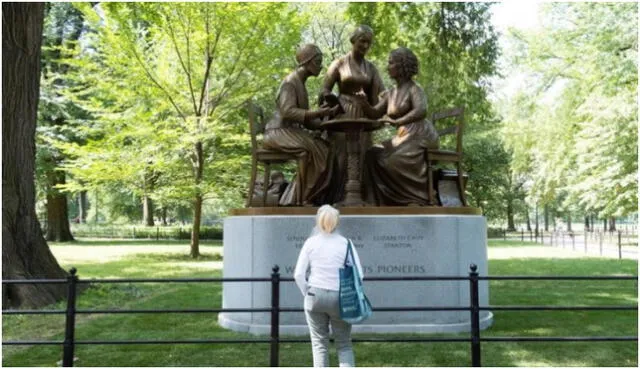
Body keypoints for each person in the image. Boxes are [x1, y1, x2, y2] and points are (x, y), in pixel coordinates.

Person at [358, 47, 439, 206]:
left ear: (402, 66)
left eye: (391, 63)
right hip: (402, 135)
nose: (387, 67)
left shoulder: (415, 89)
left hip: (420, 134)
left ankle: (417, 198)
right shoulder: (392, 93)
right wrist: (364, 103)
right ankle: (378, 200)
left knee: (393, 160)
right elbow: (375, 113)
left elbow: (421, 110)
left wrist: (399, 121)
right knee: (372, 154)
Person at [263, 44, 340, 206]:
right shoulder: (291, 82)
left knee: (324, 146)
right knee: (314, 149)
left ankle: (301, 196)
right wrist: (319, 113)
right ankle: (302, 197)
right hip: (278, 132)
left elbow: (307, 121)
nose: (320, 65)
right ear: (307, 61)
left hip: (289, 131)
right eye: (318, 61)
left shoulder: (301, 83)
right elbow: (288, 112)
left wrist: (326, 121)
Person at [320, 25, 385, 204]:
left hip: (363, 115)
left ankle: (358, 198)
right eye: (362, 41)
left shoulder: (371, 68)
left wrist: (381, 109)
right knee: (341, 156)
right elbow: (325, 88)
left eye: (368, 43)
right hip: (343, 113)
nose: (365, 45)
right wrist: (330, 99)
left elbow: (380, 95)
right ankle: (337, 197)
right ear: (353, 41)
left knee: (363, 155)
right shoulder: (339, 63)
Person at [294, 205, 364, 367]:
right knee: (344, 344)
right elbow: (359, 275)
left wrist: (308, 292)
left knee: (319, 345)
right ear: (337, 222)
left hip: (314, 295)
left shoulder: (311, 243)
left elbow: (298, 274)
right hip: (340, 297)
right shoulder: (346, 244)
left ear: (318, 221)